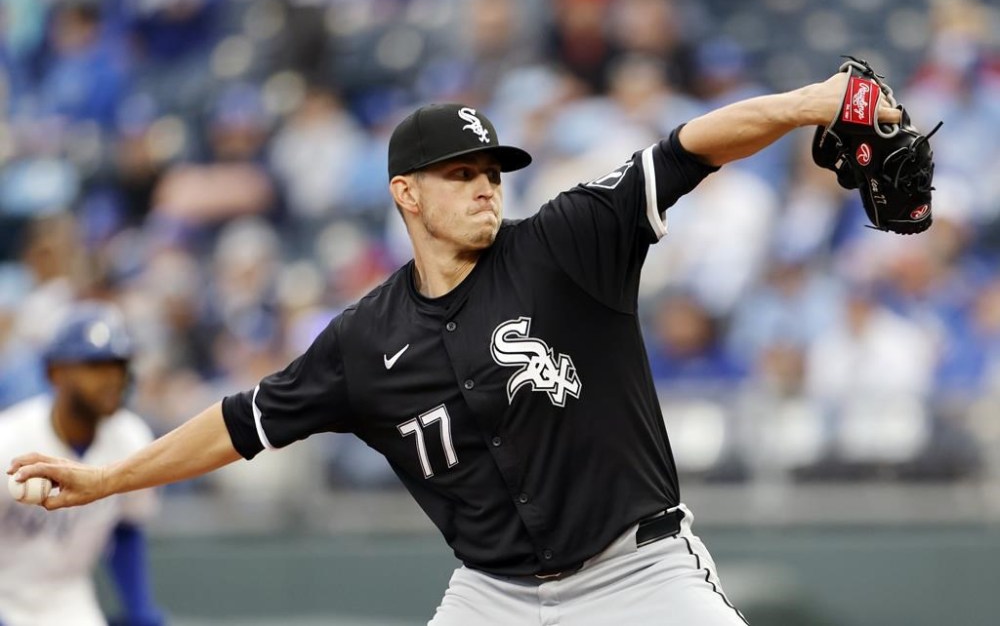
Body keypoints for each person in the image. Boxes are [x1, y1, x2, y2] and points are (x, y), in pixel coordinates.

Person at [8, 73, 900, 625]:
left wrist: (807, 105)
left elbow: (684, 151)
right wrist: (108, 479)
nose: (485, 188)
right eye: (461, 175)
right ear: (407, 194)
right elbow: (244, 424)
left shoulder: (565, 244)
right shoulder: (364, 339)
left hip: (639, 574)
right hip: (494, 596)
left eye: (491, 173)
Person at [1, 303, 163, 626]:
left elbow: (127, 529)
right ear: (54, 373)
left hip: (70, 602)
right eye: (95, 365)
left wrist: (139, 608)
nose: (112, 378)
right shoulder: (9, 440)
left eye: (119, 365)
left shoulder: (132, 440)